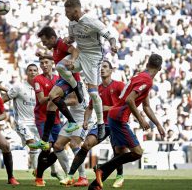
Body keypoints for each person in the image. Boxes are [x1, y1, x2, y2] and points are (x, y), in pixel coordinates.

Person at [89, 54, 166, 190]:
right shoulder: (147, 81)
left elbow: (146, 106)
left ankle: (95, 185)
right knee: (137, 153)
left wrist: (158, 124)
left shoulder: (139, 76)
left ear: (147, 64)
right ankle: (101, 168)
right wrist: (141, 120)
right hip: (119, 118)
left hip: (114, 116)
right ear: (160, 68)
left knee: (120, 152)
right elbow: (129, 100)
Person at [56, 0, 118, 141]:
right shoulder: (71, 23)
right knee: (60, 66)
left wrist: (113, 45)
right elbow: (72, 38)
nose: (66, 14)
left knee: (93, 94)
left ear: (76, 11)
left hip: (93, 58)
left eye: (67, 11)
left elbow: (110, 36)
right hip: (80, 54)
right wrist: (67, 40)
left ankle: (101, 123)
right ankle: (76, 86)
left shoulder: (91, 21)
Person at [60, 60, 125, 188]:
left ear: (111, 71)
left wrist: (105, 108)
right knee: (85, 145)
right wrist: (85, 120)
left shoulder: (119, 85)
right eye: (101, 67)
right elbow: (90, 108)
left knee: (118, 151)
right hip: (102, 123)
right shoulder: (97, 89)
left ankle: (119, 175)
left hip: (117, 123)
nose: (102, 69)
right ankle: (70, 175)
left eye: (105, 67)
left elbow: (125, 105)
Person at [28, 26, 84, 150]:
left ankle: (72, 122)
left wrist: (73, 61)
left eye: (45, 41)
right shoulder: (55, 48)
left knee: (53, 97)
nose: (44, 44)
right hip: (63, 78)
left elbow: (75, 51)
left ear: (53, 38)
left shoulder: (62, 44)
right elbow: (56, 58)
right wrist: (44, 55)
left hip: (70, 79)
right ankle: (44, 141)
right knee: (50, 106)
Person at [1, 63, 39, 170]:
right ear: (26, 72)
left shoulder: (40, 89)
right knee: (32, 144)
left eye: (34, 70)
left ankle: (48, 171)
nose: (32, 72)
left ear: (38, 73)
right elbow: (3, 99)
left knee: (41, 148)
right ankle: (37, 174)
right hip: (22, 122)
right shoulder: (19, 87)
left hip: (36, 123)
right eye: (30, 70)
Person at [32, 57, 63, 186]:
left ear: (52, 64)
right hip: (42, 118)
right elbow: (40, 100)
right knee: (47, 147)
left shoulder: (58, 79)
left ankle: (38, 170)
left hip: (55, 118)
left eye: (46, 63)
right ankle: (39, 178)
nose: (44, 65)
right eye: (42, 63)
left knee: (58, 147)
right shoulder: (37, 79)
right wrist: (54, 96)